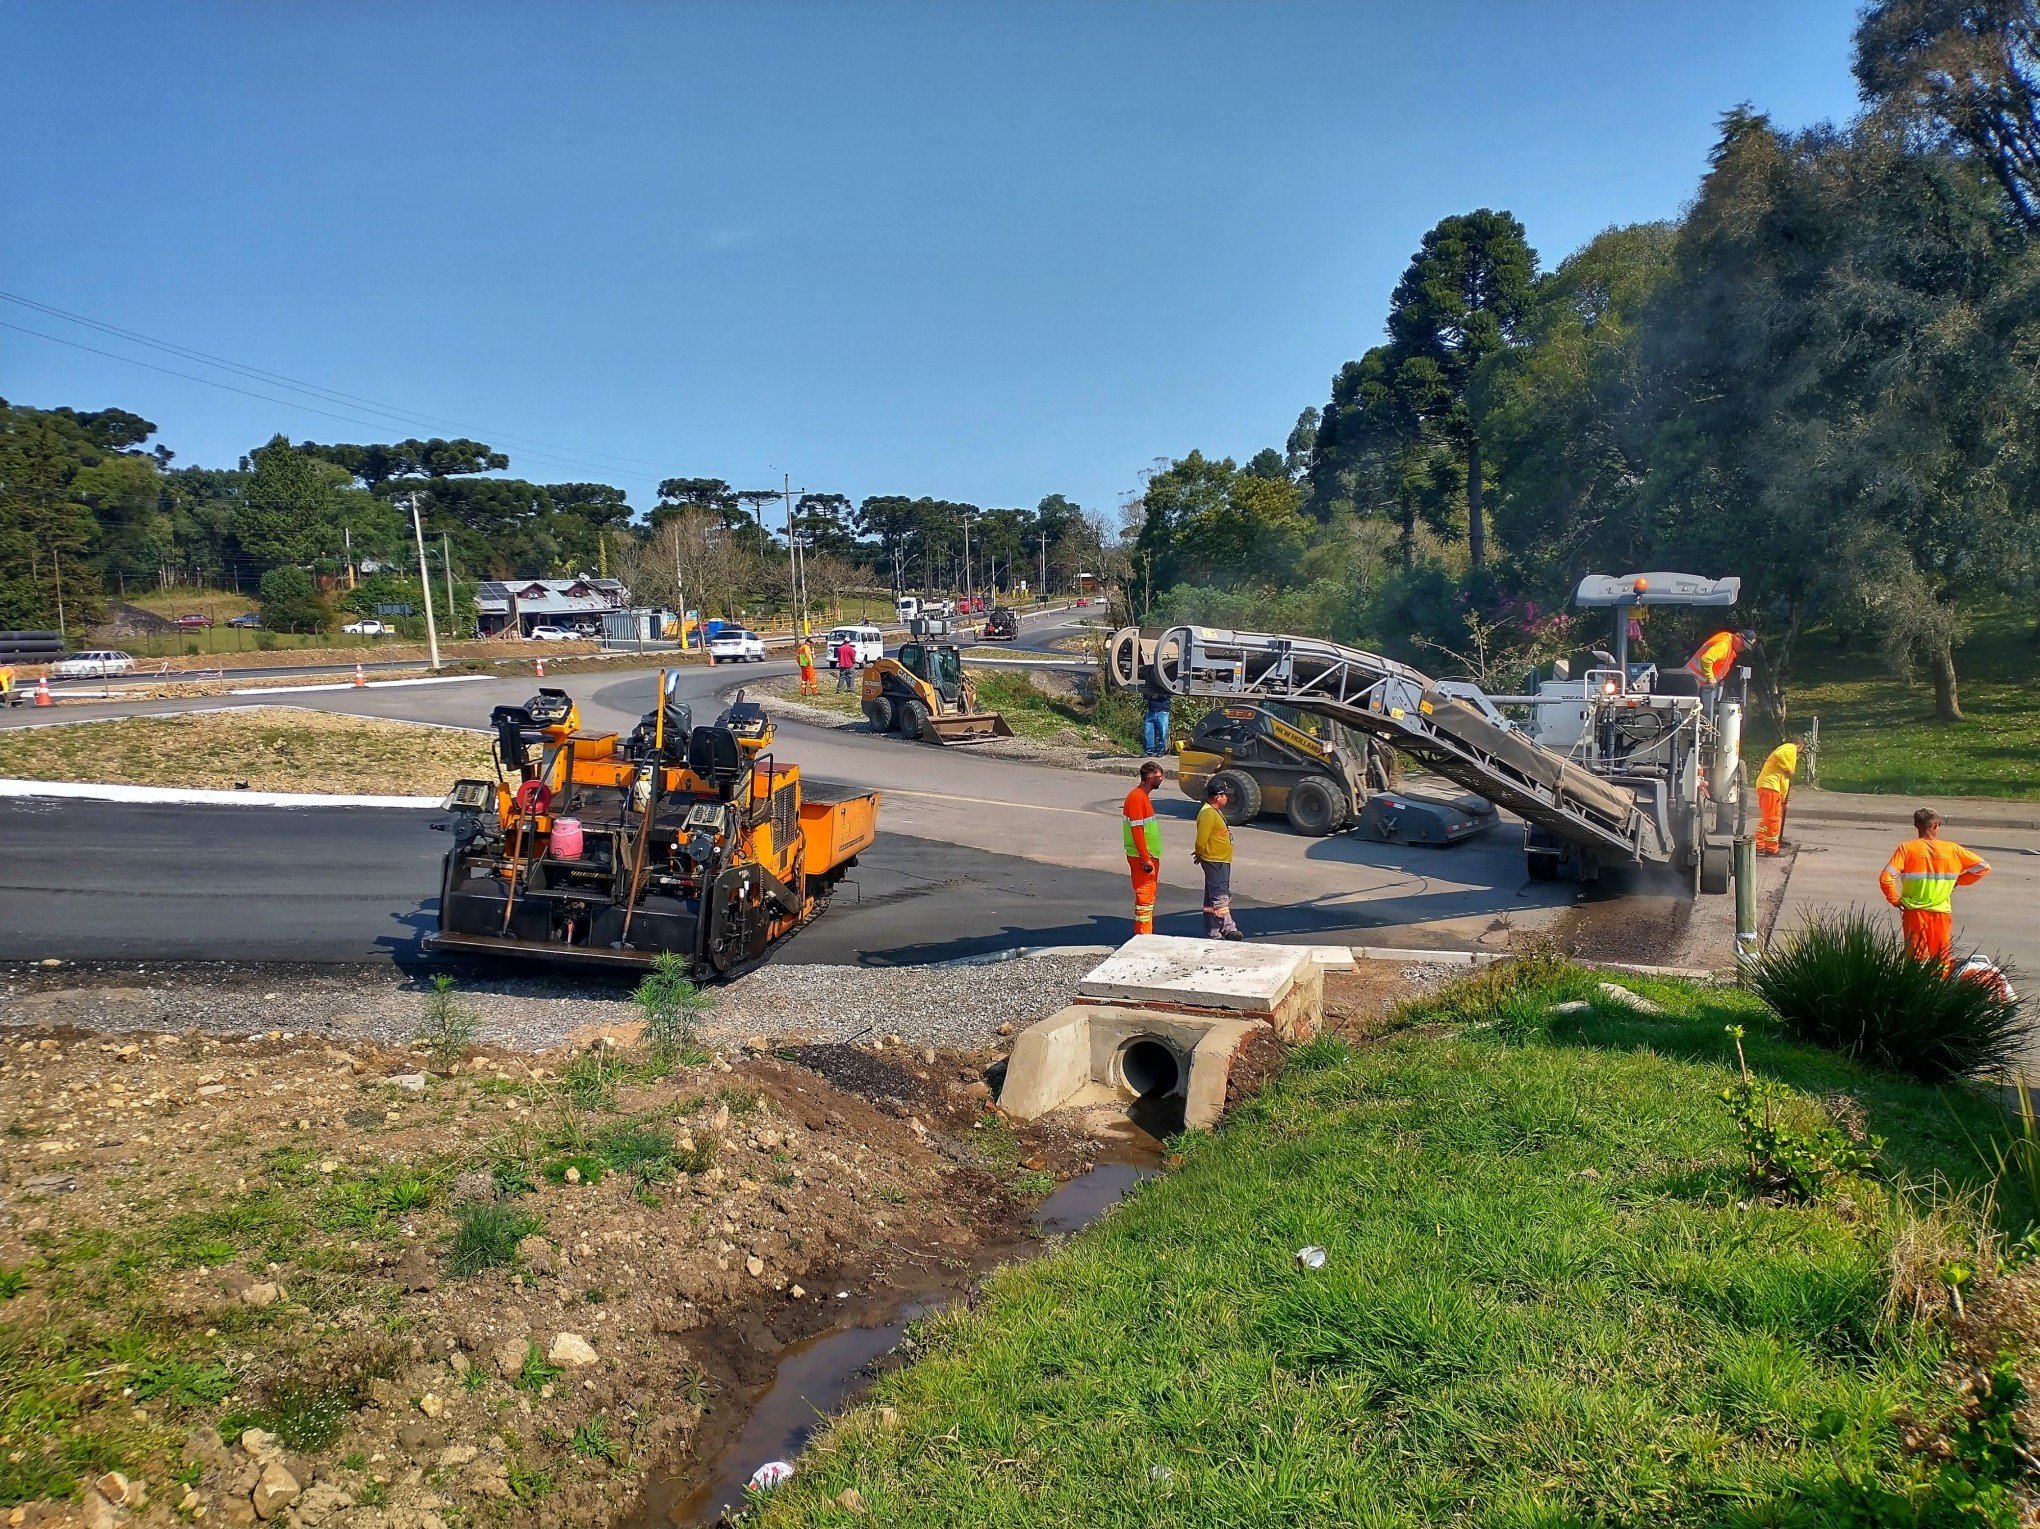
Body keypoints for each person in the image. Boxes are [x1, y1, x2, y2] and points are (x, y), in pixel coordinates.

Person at [1878, 807, 1991, 968]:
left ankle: (1917, 989)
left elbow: (1886, 878)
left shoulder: (1906, 849)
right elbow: (1983, 867)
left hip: (1914, 912)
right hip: (1941, 912)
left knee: (1915, 959)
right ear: (1935, 826)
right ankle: (1940, 988)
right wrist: (1958, 881)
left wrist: (1894, 899)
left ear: (1916, 825)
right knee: (1941, 958)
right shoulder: (1953, 849)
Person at [1193, 779, 1243, 940]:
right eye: (1224, 795)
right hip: (1215, 860)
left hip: (1219, 859)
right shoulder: (1208, 813)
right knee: (1220, 896)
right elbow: (1201, 840)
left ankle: (1212, 932)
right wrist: (1199, 853)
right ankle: (1229, 928)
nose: (1227, 798)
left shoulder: (1214, 811)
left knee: (1210, 899)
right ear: (1216, 797)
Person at [1122, 760, 1165, 936]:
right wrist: (1145, 858)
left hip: (1148, 855)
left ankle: (1145, 933)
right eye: (1159, 776)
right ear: (1149, 776)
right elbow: (1137, 830)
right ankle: (1143, 936)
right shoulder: (1137, 797)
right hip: (1142, 857)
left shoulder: (1141, 797)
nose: (1162, 779)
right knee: (1144, 895)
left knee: (1148, 896)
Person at [1752, 741, 1799, 856]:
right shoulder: (1791, 747)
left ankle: (1759, 844)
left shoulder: (1782, 757)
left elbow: (1783, 782)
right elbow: (1779, 755)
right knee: (1773, 819)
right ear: (1800, 746)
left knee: (1767, 818)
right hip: (1771, 787)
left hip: (1767, 786)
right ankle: (1772, 849)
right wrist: (1789, 768)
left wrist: (1783, 800)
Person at [1684, 628, 1757, 688]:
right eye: (1743, 644)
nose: (1743, 648)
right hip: (1692, 682)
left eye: (1745, 647)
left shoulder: (1727, 640)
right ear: (1737, 636)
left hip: (1692, 680)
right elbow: (1706, 659)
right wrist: (1711, 678)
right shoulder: (1724, 646)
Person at [1142, 668, 1173, 755]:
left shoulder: (1166, 682)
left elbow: (1167, 695)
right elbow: (1145, 695)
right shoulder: (1149, 684)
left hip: (1163, 711)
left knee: (1163, 732)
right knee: (1148, 732)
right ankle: (1148, 751)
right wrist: (1152, 695)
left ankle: (1160, 750)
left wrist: (1156, 695)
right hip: (1151, 710)